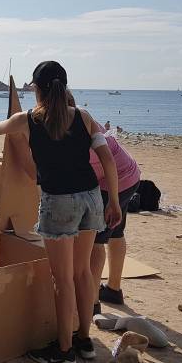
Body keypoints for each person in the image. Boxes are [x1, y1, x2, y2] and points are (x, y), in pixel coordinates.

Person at [0, 61, 121, 363]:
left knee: (62, 278)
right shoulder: (85, 117)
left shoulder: (26, 120)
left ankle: (64, 350)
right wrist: (114, 201)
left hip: (59, 202)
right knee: (81, 273)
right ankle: (84, 339)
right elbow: (107, 161)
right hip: (91, 198)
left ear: (35, 89)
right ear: (64, 87)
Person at [67, 93, 140, 311]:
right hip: (131, 174)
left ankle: (92, 302)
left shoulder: (79, 138)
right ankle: (113, 290)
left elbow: (91, 174)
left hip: (113, 181)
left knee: (94, 241)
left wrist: (112, 201)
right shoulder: (83, 116)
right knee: (116, 232)